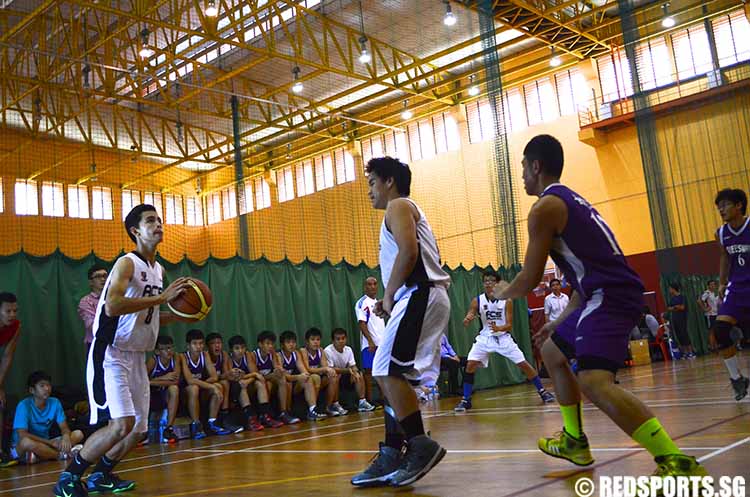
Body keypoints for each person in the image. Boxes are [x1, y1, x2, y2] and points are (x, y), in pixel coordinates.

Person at [492, 135, 706, 479]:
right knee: (551, 351)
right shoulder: (571, 200)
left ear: (536, 166)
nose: (521, 176)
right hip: (598, 293)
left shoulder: (544, 208)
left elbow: (530, 279)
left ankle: (675, 462)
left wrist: (502, 291)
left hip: (610, 294)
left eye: (522, 168)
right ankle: (575, 441)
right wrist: (559, 320)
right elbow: (584, 276)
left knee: (593, 379)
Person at [53, 204, 191, 497]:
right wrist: (162, 299)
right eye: (150, 221)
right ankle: (68, 478)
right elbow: (114, 306)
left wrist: (180, 315)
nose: (158, 225)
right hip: (111, 353)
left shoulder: (158, 269)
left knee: (138, 429)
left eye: (160, 220)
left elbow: (146, 315)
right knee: (121, 424)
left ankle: (101, 474)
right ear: (135, 231)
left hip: (137, 355)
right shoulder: (126, 263)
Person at [351, 157, 451, 488]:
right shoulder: (400, 211)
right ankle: (393, 452)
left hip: (420, 294)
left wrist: (390, 295)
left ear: (390, 181)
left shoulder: (399, 206)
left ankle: (420, 446)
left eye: (371, 183)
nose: (369, 191)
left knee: (386, 371)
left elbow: (409, 253)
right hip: (419, 295)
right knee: (396, 379)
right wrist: (388, 299)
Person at [456, 270, 555, 411]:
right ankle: (466, 400)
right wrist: (468, 317)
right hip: (485, 337)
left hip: (503, 336)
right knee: (470, 365)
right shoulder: (477, 300)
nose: (488, 283)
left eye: (491, 280)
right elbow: (472, 311)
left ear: (497, 283)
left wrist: (499, 328)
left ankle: (543, 392)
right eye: (485, 281)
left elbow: (509, 325)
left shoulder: (506, 301)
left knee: (524, 364)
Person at [711, 188, 750, 400]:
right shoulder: (721, 233)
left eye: (725, 205)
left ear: (739, 206)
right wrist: (722, 283)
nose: (721, 210)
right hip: (735, 288)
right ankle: (737, 378)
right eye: (719, 207)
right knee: (720, 331)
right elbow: (725, 258)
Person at [12, 371, 84, 464]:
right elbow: (22, 435)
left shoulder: (55, 402)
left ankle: (41, 456)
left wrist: (65, 436)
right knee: (26, 442)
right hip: (21, 447)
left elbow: (64, 427)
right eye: (42, 386)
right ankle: (61, 455)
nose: (47, 388)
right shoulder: (23, 405)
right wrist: (50, 443)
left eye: (48, 385)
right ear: (32, 390)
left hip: (47, 444)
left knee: (78, 434)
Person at [178, 329, 233, 439]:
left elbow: (214, 376)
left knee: (218, 385)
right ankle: (196, 425)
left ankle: (212, 422)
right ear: (188, 346)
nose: (198, 346)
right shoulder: (182, 357)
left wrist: (207, 385)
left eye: (201, 343)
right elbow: (189, 380)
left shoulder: (205, 355)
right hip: (184, 394)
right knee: (194, 388)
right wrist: (209, 385)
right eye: (195, 344)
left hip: (200, 390)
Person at [278, 331, 327, 421]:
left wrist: (304, 375)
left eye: (293, 342)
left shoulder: (296, 353)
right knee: (285, 382)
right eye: (288, 342)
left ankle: (312, 410)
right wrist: (298, 377)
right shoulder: (279, 355)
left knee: (310, 378)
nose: (291, 345)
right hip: (283, 382)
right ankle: (285, 412)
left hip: (294, 383)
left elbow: (303, 370)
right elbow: (285, 376)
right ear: (282, 345)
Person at [324, 328, 376, 412]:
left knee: (359, 374)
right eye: (338, 339)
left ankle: (362, 402)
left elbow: (353, 366)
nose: (341, 341)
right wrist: (348, 370)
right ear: (333, 341)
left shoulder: (348, 349)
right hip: (333, 377)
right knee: (335, 376)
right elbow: (330, 368)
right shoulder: (327, 351)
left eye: (343, 338)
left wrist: (354, 372)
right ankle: (335, 405)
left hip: (346, 376)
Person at [250, 331, 293, 426]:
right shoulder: (253, 355)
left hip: (267, 380)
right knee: (265, 385)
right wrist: (273, 374)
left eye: (272, 344)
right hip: (255, 383)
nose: (270, 346)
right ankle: (264, 415)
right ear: (260, 344)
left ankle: (283, 412)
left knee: (282, 378)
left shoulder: (273, 354)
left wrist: (279, 370)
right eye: (267, 344)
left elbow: (276, 368)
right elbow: (256, 375)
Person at [226, 335, 266, 432]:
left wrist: (247, 379)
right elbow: (232, 377)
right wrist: (250, 376)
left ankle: (266, 415)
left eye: (243, 347)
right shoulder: (228, 359)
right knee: (241, 385)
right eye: (237, 348)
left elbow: (256, 373)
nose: (241, 351)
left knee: (260, 383)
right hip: (233, 388)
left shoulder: (247, 355)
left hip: (245, 384)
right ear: (231, 350)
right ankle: (251, 419)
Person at [146, 335, 181, 443]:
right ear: (157, 351)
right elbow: (142, 382)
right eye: (164, 349)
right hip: (152, 395)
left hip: (165, 395)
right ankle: (143, 431)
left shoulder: (175, 358)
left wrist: (153, 381)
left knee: (174, 388)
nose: (168, 351)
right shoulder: (153, 361)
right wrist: (163, 378)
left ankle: (168, 428)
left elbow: (175, 380)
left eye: (170, 348)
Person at [355, 276, 385, 404]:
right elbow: (362, 323)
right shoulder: (362, 303)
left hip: (382, 344)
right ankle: (369, 401)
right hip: (369, 345)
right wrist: (370, 341)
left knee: (382, 372)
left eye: (374, 284)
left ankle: (385, 399)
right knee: (368, 372)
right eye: (369, 284)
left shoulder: (379, 303)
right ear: (365, 287)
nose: (372, 286)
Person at [300, 327, 342, 417]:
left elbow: (325, 366)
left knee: (334, 377)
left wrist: (329, 370)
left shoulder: (321, 351)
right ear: (307, 342)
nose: (316, 342)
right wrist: (325, 369)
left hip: (317, 379)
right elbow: (308, 369)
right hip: (303, 381)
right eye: (313, 340)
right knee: (315, 377)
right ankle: (313, 410)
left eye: (318, 340)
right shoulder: (303, 351)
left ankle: (328, 407)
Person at [205, 332, 243, 433]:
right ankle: (216, 421)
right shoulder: (205, 355)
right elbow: (214, 377)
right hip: (203, 387)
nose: (217, 345)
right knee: (221, 385)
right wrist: (225, 375)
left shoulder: (224, 354)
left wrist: (236, 373)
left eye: (219, 343)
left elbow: (227, 374)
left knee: (229, 383)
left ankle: (225, 418)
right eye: (213, 343)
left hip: (217, 386)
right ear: (207, 346)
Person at [0, 291, 21, 467]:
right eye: (8, 311)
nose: (12, 315)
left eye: (15, 311)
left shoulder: (15, 326)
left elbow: (7, 356)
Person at [78, 265, 108, 354]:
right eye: (98, 276)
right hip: (95, 344)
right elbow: (93, 326)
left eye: (105, 276)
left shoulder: (114, 298)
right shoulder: (85, 302)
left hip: (115, 345)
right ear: (91, 282)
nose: (103, 279)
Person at [667, 283, 695, 358]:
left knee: (684, 334)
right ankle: (685, 352)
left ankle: (691, 351)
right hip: (675, 319)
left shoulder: (682, 297)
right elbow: (669, 308)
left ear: (673, 288)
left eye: (670, 288)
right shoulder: (672, 299)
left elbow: (682, 307)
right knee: (679, 335)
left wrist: (676, 307)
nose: (669, 290)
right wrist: (676, 307)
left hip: (682, 318)